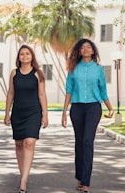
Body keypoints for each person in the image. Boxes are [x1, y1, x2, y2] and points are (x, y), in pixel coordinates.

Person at [61, 38, 113, 193]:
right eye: (82, 47)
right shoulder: (72, 68)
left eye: (88, 47)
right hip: (76, 108)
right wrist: (64, 112)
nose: (85, 49)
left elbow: (102, 90)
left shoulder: (98, 69)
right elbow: (69, 90)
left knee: (87, 141)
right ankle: (79, 177)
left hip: (93, 108)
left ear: (93, 51)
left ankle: (86, 182)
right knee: (79, 142)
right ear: (79, 50)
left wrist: (110, 108)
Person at [4, 44, 48, 193]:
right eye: (22, 54)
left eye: (27, 54)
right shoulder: (14, 73)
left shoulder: (38, 74)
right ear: (19, 57)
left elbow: (42, 95)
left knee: (29, 143)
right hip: (17, 113)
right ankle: (23, 173)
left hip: (33, 112)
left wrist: (45, 114)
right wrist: (6, 113)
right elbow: (10, 93)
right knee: (18, 144)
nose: (24, 56)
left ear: (32, 56)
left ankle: (24, 181)